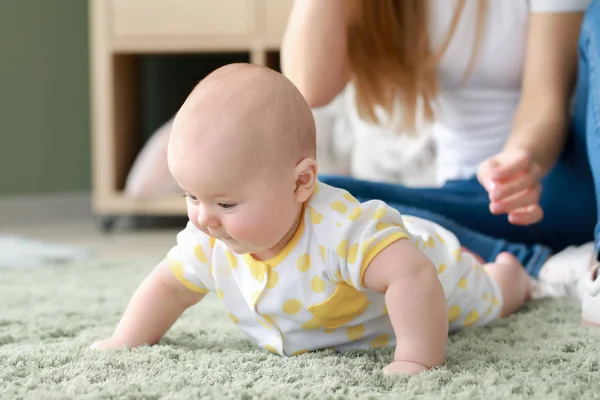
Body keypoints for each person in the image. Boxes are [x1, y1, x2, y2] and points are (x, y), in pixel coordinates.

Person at [90, 64, 533, 375]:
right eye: (190, 196)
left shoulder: (340, 231)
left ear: (301, 183)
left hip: (434, 269)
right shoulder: (211, 236)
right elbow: (168, 287)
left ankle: (508, 275)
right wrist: (126, 337)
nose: (203, 218)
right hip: (378, 277)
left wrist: (416, 358)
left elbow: (413, 276)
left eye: (225, 204)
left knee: (486, 299)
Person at [281, 0, 600, 308]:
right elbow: (309, 85)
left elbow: (546, 100)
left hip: (561, 180)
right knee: (308, 195)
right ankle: (542, 266)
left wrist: (519, 158)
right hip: (475, 203)